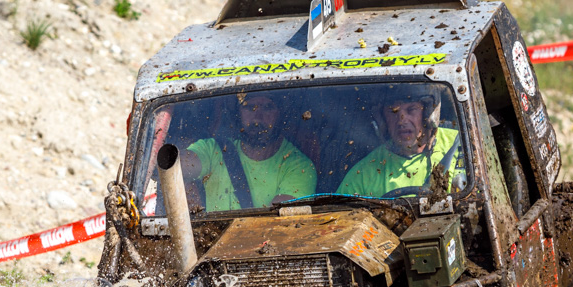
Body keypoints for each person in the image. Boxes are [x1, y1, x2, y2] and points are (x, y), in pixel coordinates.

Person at [159, 92, 316, 211]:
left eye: (268, 107)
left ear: (280, 114)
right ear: (238, 114)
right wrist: (184, 182)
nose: (258, 118)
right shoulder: (213, 150)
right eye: (249, 107)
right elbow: (175, 166)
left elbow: (276, 223)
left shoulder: (299, 166)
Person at [336, 90, 465, 198]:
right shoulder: (364, 174)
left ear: (428, 114)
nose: (402, 121)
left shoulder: (462, 146)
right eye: (393, 111)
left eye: (411, 110)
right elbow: (339, 218)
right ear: (383, 119)